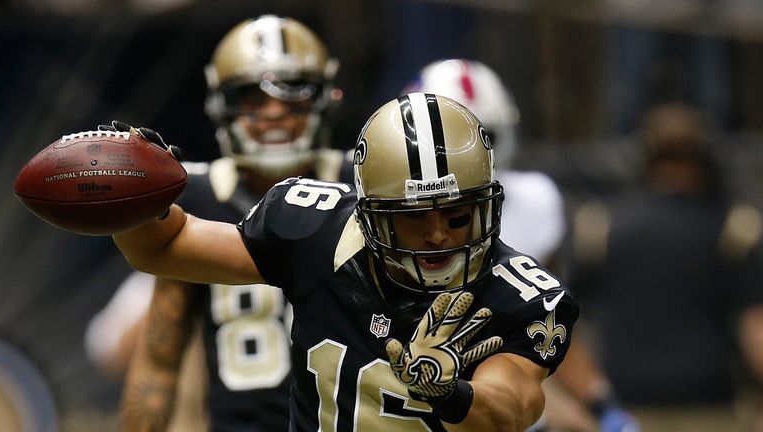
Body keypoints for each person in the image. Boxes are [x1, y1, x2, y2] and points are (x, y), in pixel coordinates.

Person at [86, 91, 581, 431]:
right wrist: (136, 202)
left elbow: (513, 408)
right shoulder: (314, 231)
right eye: (413, 218)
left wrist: (451, 392)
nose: (437, 235)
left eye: (457, 216)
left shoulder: (523, 294)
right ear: (369, 214)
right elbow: (165, 248)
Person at [100, 15, 351, 432]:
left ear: (323, 101)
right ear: (223, 107)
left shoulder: (358, 185)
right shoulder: (196, 196)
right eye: (253, 99)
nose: (274, 115)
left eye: (293, 98)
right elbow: (159, 362)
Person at [406, 58, 639, 432]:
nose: (461, 155)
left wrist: (601, 403)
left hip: (501, 396)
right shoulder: (370, 212)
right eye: (447, 140)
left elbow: (545, 318)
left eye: (482, 137)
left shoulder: (535, 201)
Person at [569, 102, 763, 431]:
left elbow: (560, 324)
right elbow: (755, 328)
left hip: (626, 414)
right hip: (715, 413)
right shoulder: (734, 228)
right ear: (705, 158)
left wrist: (594, 400)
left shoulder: (602, 226)